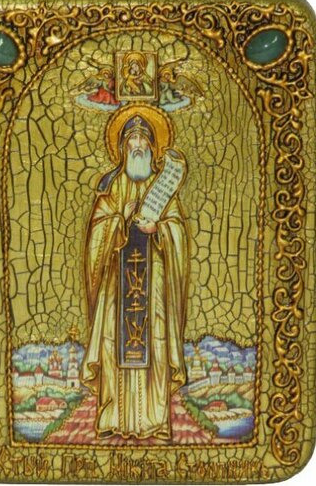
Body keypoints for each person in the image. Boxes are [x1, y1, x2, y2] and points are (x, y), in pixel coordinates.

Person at [81, 106, 188, 440]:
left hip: (153, 283)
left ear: (153, 147)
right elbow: (96, 232)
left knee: (155, 343)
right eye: (132, 140)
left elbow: (178, 230)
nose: (138, 146)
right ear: (123, 147)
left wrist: (161, 230)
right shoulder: (112, 186)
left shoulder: (162, 187)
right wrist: (119, 220)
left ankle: (154, 421)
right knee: (114, 343)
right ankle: (113, 417)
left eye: (143, 140)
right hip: (118, 283)